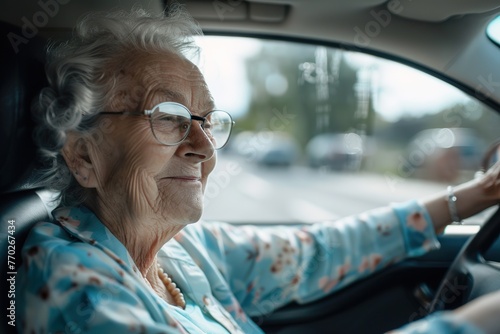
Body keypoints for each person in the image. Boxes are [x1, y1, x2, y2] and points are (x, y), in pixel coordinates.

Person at [16, 6, 500, 334]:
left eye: (206, 121)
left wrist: (477, 194)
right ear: (83, 156)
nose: (203, 146)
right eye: (168, 118)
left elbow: (316, 252)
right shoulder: (74, 285)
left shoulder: (180, 252)